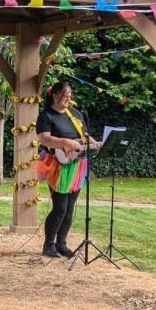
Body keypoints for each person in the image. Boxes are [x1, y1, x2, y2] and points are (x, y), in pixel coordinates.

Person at [35, 81, 101, 258]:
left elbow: (83, 135)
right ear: (55, 95)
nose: (68, 99)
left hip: (76, 164)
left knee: (70, 207)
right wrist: (64, 142)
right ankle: (48, 245)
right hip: (57, 164)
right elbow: (45, 139)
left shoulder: (75, 114)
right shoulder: (46, 116)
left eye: (70, 96)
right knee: (60, 207)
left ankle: (61, 243)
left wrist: (94, 143)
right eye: (65, 96)